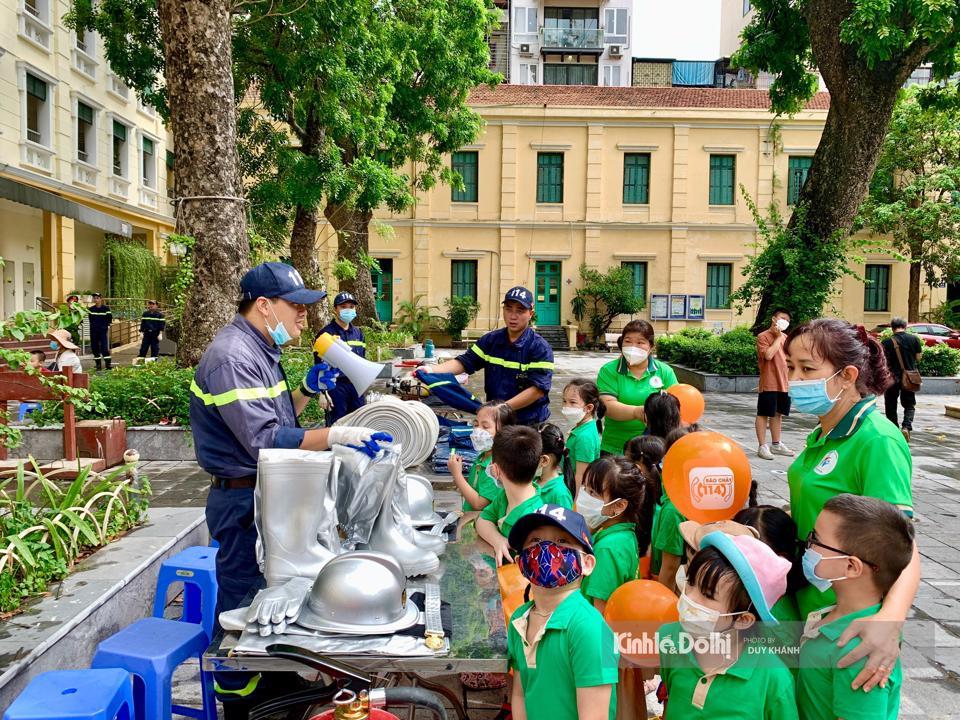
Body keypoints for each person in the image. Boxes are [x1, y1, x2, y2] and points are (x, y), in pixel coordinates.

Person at [189, 262, 387, 717]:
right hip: (241, 496)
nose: (303, 317)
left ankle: (274, 683)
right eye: (296, 307)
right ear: (264, 306)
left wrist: (301, 391)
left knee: (269, 594)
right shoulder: (232, 358)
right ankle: (241, 697)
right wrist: (338, 436)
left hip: (262, 491)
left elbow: (277, 421)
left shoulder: (260, 350)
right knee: (242, 598)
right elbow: (260, 440)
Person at [785, 318, 918, 692]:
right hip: (809, 605)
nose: (795, 379)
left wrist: (888, 623)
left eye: (807, 369)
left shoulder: (876, 440)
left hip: (851, 622)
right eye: (791, 367)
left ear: (847, 375)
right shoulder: (822, 432)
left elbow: (903, 544)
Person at [798, 494, 915, 720]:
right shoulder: (834, 619)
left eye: (815, 539)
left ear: (851, 566)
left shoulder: (860, 653)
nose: (808, 545)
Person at [658, 532, 797, 719]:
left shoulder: (773, 679)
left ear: (742, 619)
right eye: (690, 582)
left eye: (707, 595)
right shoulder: (670, 639)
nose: (689, 597)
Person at [506, 504, 619, 720]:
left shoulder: (591, 630)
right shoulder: (519, 619)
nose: (547, 549)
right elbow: (520, 694)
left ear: (587, 563)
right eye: (536, 541)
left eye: (562, 541)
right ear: (521, 563)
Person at [427, 286, 554, 425]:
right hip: (497, 421)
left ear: (530, 313)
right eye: (508, 309)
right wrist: (431, 370)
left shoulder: (539, 347)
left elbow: (537, 390)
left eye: (520, 310)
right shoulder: (491, 340)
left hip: (529, 423)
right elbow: (465, 362)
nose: (513, 316)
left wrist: (502, 409)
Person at [577, 456, 655, 614]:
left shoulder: (607, 550)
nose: (584, 496)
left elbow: (600, 616)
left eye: (592, 492)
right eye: (584, 488)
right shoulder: (623, 534)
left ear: (619, 506)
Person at [597, 320, 677, 455]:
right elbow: (607, 406)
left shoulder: (664, 371)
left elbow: (676, 406)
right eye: (628, 341)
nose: (633, 347)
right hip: (616, 447)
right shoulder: (609, 370)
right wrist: (637, 412)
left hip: (655, 449)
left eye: (640, 342)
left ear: (650, 346)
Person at [477, 425, 544, 564]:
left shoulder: (532, 519)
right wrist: (498, 540)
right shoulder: (504, 496)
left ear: (495, 469)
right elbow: (482, 520)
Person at [449, 401, 516, 511]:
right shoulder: (482, 456)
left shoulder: (496, 466)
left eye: (485, 427)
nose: (477, 430)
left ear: (504, 431)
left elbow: (479, 504)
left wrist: (457, 475)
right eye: (476, 425)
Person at [315, 291, 367, 424]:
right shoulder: (325, 334)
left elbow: (363, 360)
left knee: (359, 422)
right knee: (337, 425)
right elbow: (318, 365)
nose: (348, 310)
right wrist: (323, 393)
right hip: (336, 387)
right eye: (343, 307)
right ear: (335, 310)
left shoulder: (359, 333)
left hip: (356, 386)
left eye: (351, 307)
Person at [755, 308, 795, 460]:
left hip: (785, 383)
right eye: (782, 318)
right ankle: (762, 446)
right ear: (774, 319)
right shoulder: (763, 336)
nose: (785, 321)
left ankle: (776, 444)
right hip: (769, 382)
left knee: (778, 414)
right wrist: (778, 338)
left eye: (788, 320)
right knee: (764, 413)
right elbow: (769, 355)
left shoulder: (787, 338)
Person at [881, 317, 923, 442]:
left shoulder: (887, 342)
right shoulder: (914, 339)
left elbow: (882, 361)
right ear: (905, 326)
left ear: (892, 327)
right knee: (909, 404)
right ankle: (906, 427)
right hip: (909, 378)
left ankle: (894, 430)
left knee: (890, 405)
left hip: (891, 378)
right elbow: (918, 357)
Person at [561, 379, 603, 490]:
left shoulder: (584, 437)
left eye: (573, 402)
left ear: (589, 408)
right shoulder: (583, 427)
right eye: (564, 401)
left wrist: (573, 503)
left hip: (574, 490)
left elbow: (581, 475)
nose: (566, 406)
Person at [535, 423, 574, 509]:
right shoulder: (534, 480)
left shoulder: (560, 495)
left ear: (544, 460)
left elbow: (565, 522)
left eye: (532, 455)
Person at [88, 292, 112, 370]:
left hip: (102, 332)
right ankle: (98, 365)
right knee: (95, 348)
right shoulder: (91, 309)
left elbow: (109, 319)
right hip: (94, 331)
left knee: (104, 348)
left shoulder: (106, 309)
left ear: (100, 299)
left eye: (97, 298)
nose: (95, 299)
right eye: (94, 298)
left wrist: (105, 327)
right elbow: (90, 320)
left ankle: (108, 364)